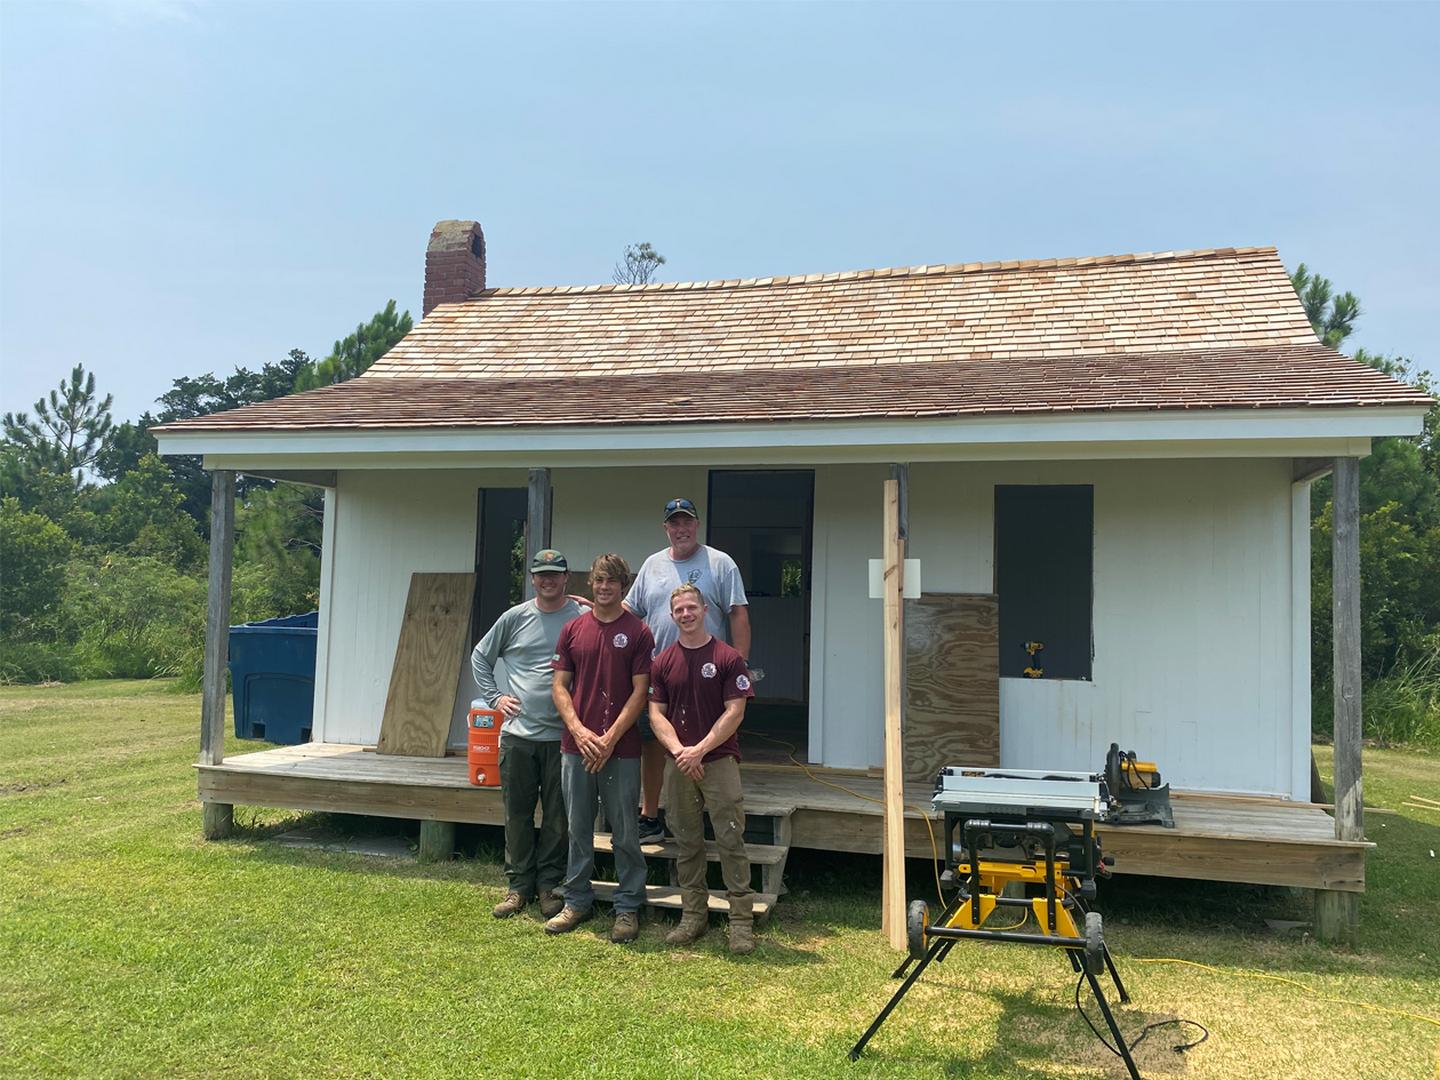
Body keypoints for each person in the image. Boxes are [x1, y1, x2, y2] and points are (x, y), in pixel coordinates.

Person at [625, 496, 750, 843]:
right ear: (666, 529)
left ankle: (707, 815)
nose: (681, 529)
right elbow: (630, 610)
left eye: (687, 522)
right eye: (674, 523)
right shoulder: (652, 565)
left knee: (711, 740)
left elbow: (738, 612)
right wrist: (596, 614)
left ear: (697, 525)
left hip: (709, 672)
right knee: (654, 742)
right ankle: (650, 816)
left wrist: (740, 663)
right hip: (661, 672)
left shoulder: (720, 563)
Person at [547, 553, 655, 944]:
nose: (605, 587)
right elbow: (560, 687)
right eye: (599, 580)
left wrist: (609, 738)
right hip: (576, 747)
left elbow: (641, 690)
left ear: (623, 587)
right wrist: (578, 731)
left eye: (612, 581)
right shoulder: (574, 630)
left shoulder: (639, 632)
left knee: (625, 830)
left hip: (621, 748)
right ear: (591, 584)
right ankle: (576, 900)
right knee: (578, 827)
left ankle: (627, 907)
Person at [470, 549, 583, 920]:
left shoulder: (582, 617)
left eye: (555, 574)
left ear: (566, 577)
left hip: (563, 738)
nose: (547, 580)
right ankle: (518, 886)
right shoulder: (514, 618)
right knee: (517, 813)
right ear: (532, 579)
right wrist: (495, 697)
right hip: (518, 737)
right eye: (541, 575)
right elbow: (480, 657)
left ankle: (549, 885)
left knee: (557, 816)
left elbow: (621, 623)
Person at [648, 583, 756, 954]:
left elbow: (735, 711)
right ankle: (694, 915)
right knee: (686, 841)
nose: (686, 614)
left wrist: (700, 750)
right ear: (672, 614)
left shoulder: (728, 658)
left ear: (705, 609)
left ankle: (741, 922)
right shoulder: (663, 662)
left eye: (692, 607)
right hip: (679, 763)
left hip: (719, 760)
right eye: (679, 610)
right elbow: (655, 715)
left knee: (730, 838)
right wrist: (681, 750)